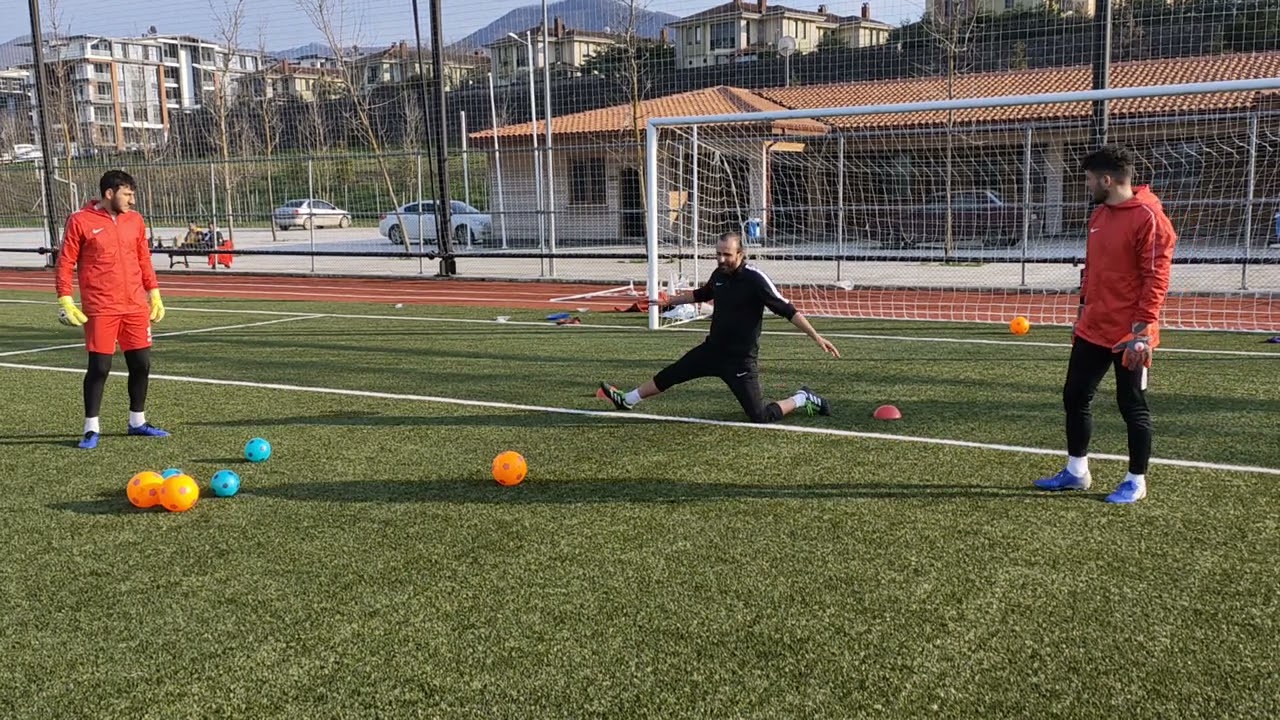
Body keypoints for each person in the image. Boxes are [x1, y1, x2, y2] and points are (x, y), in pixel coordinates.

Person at [1034, 145, 1177, 504]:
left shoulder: (1150, 217)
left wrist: (1141, 332)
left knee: (1132, 405)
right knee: (1074, 396)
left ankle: (1136, 481)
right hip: (1093, 327)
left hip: (1130, 334)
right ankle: (1076, 471)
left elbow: (1156, 278)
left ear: (1107, 180)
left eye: (1088, 180)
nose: (1086, 186)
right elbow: (1093, 271)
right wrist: (1082, 313)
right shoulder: (1099, 214)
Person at [600, 232, 840, 423]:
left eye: (727, 254)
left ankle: (802, 397)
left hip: (740, 361)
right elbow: (701, 294)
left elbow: (788, 310)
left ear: (741, 254)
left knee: (759, 416)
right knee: (671, 374)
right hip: (711, 351)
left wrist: (816, 337)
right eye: (718, 254)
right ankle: (628, 399)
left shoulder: (755, 279)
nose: (721, 259)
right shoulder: (719, 274)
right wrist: (669, 301)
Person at [55, 170, 169, 449]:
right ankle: (91, 428)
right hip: (101, 307)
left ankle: (137, 422)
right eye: (127, 194)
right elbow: (66, 262)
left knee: (141, 365)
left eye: (132, 194)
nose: (132, 199)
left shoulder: (136, 220)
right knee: (99, 368)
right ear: (109, 193)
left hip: (135, 306)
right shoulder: (80, 220)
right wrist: (65, 299)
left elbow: (143, 258)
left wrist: (154, 293)